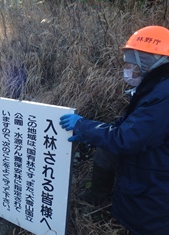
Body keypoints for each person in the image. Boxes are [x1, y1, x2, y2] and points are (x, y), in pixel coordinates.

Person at [59, 25, 169, 235]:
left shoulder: (164, 95)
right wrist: (91, 132)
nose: (128, 69)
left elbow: (127, 138)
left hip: (157, 191)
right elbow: (130, 124)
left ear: (147, 61)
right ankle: (98, 196)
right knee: (106, 150)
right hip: (153, 170)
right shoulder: (157, 86)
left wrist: (82, 125)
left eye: (131, 62)